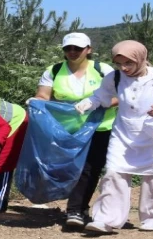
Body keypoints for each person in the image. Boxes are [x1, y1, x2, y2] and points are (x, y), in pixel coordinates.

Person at [75, 40, 153, 234]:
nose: (123, 68)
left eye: (129, 63)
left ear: (140, 59)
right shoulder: (114, 77)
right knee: (114, 173)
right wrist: (87, 103)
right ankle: (107, 219)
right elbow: (100, 96)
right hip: (123, 133)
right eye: (119, 63)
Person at [29, 32, 118, 228]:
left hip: (100, 127)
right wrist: (35, 102)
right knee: (69, 167)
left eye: (77, 48)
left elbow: (120, 96)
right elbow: (43, 96)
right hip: (66, 129)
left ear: (89, 50)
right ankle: (79, 205)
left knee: (89, 167)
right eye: (68, 48)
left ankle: (75, 210)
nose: (72, 52)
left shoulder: (103, 70)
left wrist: (96, 103)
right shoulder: (54, 70)